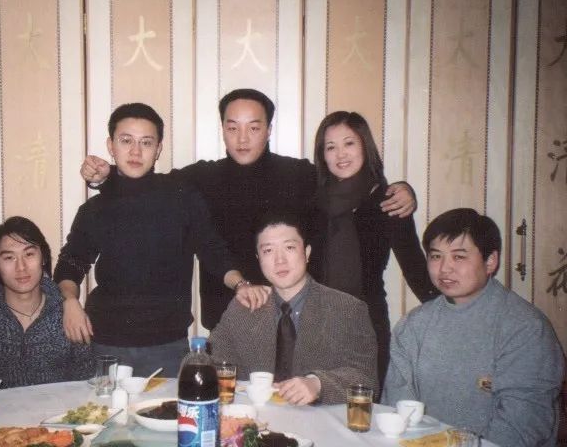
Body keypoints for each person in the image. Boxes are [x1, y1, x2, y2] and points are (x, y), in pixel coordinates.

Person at [80, 89, 417, 330]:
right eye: (233, 128)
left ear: (268, 131)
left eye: (254, 128)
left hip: (291, 320)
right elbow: (150, 187)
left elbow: (344, 182)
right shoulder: (202, 178)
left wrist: (401, 190)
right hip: (227, 319)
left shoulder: (298, 174)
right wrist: (107, 177)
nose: (242, 138)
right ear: (223, 131)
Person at [54, 103, 269, 376]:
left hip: (167, 345)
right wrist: (69, 302)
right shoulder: (94, 209)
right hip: (105, 343)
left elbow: (212, 250)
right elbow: (70, 264)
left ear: (158, 149)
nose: (135, 152)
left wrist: (241, 284)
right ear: (111, 146)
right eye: (126, 141)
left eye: (146, 142)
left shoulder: (182, 197)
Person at [382, 208, 564, 446]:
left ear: (490, 261)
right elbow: (397, 409)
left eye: (459, 257)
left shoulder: (526, 328)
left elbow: (521, 427)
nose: (444, 268)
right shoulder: (413, 325)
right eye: (436, 256)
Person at [311, 111, 439, 386]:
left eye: (349, 143)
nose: (340, 154)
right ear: (322, 155)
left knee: (364, 402)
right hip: (314, 324)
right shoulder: (311, 200)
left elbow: (415, 268)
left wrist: (453, 309)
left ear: (365, 146)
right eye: (330, 147)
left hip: (366, 323)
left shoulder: (388, 201)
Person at [208, 213, 378, 405]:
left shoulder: (347, 309)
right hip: (256, 418)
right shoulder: (245, 307)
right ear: (258, 258)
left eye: (289, 247)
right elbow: (211, 360)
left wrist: (318, 384)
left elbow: (366, 378)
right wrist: (195, 361)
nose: (279, 260)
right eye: (268, 251)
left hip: (318, 421)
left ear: (307, 253)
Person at [0, 216, 94, 393]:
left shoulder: (72, 318)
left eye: (29, 254)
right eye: (9, 258)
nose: (21, 267)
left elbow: (86, 389)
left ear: (43, 258)